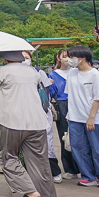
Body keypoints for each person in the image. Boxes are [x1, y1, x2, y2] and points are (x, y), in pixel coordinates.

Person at [0, 50, 56, 197]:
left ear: (4, 58)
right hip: (37, 123)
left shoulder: (2, 70)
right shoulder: (32, 71)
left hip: (13, 122)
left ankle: (31, 193)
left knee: (8, 157)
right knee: (38, 161)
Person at [65, 45, 99, 187]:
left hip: (93, 119)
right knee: (78, 148)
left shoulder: (95, 74)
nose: (70, 60)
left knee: (98, 148)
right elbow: (71, 96)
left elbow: (98, 98)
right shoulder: (72, 74)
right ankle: (88, 175)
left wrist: (91, 117)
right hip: (75, 118)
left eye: (72, 57)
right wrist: (69, 114)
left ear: (82, 58)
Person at [24, 51, 62, 183]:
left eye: (27, 57)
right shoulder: (15, 74)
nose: (25, 60)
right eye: (22, 58)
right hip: (24, 114)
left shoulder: (38, 73)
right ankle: (34, 173)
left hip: (41, 112)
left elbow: (47, 92)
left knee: (47, 143)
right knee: (29, 145)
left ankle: (54, 171)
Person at [48, 49, 79, 179]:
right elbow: (51, 93)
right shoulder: (53, 75)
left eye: (69, 56)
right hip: (62, 105)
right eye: (64, 56)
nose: (67, 59)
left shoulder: (77, 72)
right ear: (58, 58)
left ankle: (83, 167)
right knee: (64, 137)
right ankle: (70, 169)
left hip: (77, 103)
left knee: (79, 137)